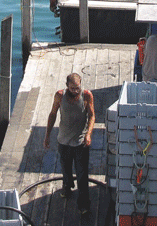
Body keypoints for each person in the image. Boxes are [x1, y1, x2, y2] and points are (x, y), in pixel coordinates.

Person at [44, 73, 95, 215]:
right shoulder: (59, 96)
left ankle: (84, 203)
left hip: (80, 143)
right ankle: (67, 187)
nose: (75, 91)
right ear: (67, 86)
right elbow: (52, 114)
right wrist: (47, 135)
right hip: (63, 141)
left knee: (82, 174)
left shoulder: (87, 96)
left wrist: (88, 133)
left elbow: (92, 115)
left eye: (77, 88)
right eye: (72, 88)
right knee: (65, 169)